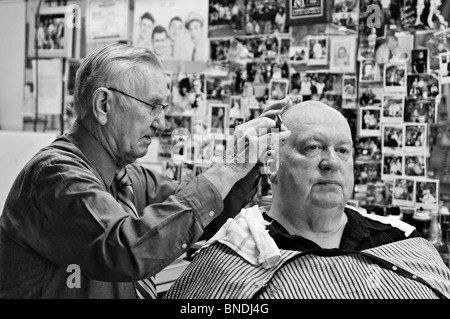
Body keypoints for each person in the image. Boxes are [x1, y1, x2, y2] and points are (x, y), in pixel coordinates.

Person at [0, 43, 291, 298]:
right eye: (152, 106)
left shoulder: (127, 177)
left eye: (163, 109)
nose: (161, 124)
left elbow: (206, 215)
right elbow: (125, 249)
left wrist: (247, 160)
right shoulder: (55, 175)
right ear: (103, 105)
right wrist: (227, 167)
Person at [164, 101, 450, 299]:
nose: (331, 163)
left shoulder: (400, 240)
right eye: (313, 148)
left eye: (343, 150)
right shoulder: (231, 257)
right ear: (272, 164)